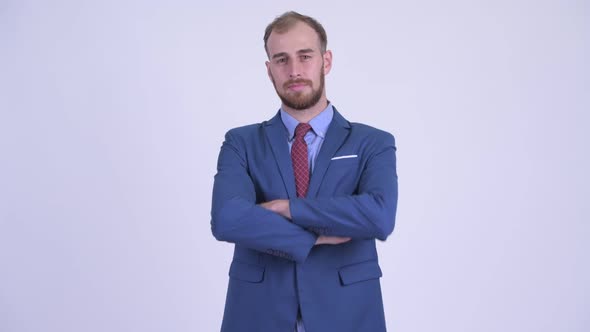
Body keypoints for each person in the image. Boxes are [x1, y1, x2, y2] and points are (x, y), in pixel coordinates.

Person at [211, 11, 398, 332]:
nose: (294, 71)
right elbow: (228, 218)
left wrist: (287, 208)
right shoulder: (240, 142)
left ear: (326, 61)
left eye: (305, 56)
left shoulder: (373, 142)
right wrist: (315, 239)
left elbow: (378, 216)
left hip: (348, 313)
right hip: (258, 313)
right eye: (281, 60)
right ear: (269, 71)